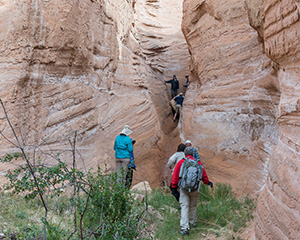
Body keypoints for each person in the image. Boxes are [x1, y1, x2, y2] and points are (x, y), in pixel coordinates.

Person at [171, 147, 213, 235]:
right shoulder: (198, 163)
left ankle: (185, 228)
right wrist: (208, 182)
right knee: (193, 206)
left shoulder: (181, 162)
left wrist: (174, 187)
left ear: (185, 154)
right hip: (194, 188)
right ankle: (193, 223)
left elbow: (175, 176)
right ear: (193, 154)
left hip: (184, 188)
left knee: (184, 206)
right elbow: (203, 175)